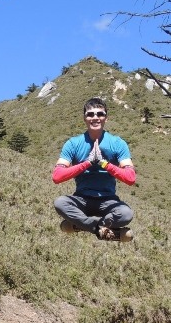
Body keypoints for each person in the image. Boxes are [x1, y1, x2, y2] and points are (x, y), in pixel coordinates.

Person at [52, 97, 136, 241]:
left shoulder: (118, 143)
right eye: (90, 114)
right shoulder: (73, 143)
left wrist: (104, 164)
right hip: (81, 199)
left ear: (106, 118)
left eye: (100, 114)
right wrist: (88, 163)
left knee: (126, 214)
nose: (95, 117)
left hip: (108, 201)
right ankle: (101, 229)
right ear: (84, 118)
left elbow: (130, 178)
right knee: (60, 203)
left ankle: (81, 225)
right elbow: (57, 176)